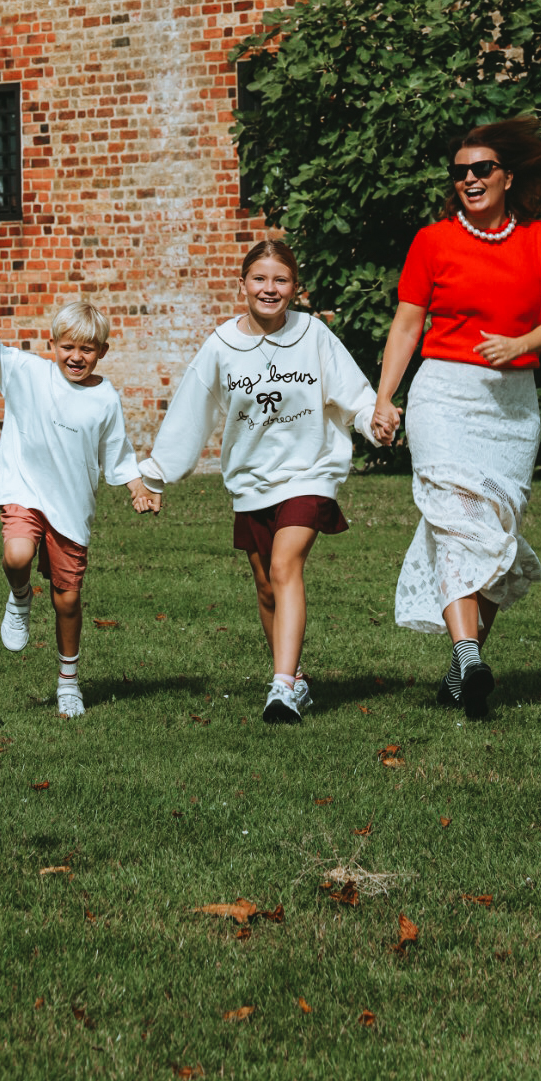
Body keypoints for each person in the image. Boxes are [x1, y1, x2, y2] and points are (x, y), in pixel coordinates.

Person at [370, 116, 541, 721]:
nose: (471, 179)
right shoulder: (432, 241)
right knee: (457, 521)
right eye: (461, 173)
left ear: (508, 176)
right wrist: (385, 398)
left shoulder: (540, 239)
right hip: (445, 398)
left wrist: (520, 344)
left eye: (482, 169)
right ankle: (466, 653)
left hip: (511, 405)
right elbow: (407, 325)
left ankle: (463, 672)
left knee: (494, 531)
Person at [145, 240, 379, 725]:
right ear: (243, 284)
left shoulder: (313, 334)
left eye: (280, 280)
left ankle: (283, 689)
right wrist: (157, 473)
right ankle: (295, 680)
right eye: (260, 279)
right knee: (266, 587)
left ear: (295, 288)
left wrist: (373, 418)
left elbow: (353, 392)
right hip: (251, 480)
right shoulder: (221, 345)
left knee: (284, 564)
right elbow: (192, 411)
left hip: (310, 472)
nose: (269, 289)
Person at [0, 289, 161, 718]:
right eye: (68, 346)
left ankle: (68, 681)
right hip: (26, 490)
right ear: (52, 344)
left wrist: (137, 488)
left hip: (71, 509)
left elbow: (117, 452)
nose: (76, 356)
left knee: (67, 601)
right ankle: (19, 598)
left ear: (102, 352)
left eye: (86, 349)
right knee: (16, 555)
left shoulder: (105, 398)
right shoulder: (27, 373)